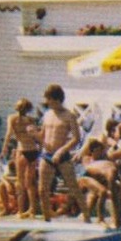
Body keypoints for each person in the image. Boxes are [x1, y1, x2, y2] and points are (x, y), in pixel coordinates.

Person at [39, 84, 86, 220]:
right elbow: (43, 135)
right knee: (42, 190)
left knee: (74, 187)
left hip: (62, 155)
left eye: (49, 100)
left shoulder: (69, 115)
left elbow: (76, 138)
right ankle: (47, 219)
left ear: (57, 100)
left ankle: (87, 217)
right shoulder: (47, 114)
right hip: (47, 154)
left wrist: (61, 150)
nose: (47, 102)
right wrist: (34, 134)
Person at [78, 136, 121, 228]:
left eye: (100, 150)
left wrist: (117, 221)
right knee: (102, 192)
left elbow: (117, 193)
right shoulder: (87, 159)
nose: (99, 153)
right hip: (84, 177)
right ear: (91, 152)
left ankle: (117, 219)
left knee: (118, 191)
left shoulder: (109, 162)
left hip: (99, 178)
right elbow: (112, 195)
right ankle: (100, 220)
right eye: (96, 151)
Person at [6, 97, 43, 220]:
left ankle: (21, 211)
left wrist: (4, 149)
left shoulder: (13, 118)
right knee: (29, 183)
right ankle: (31, 210)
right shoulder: (31, 120)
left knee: (20, 182)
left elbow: (8, 134)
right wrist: (41, 149)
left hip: (23, 150)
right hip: (32, 150)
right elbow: (37, 137)